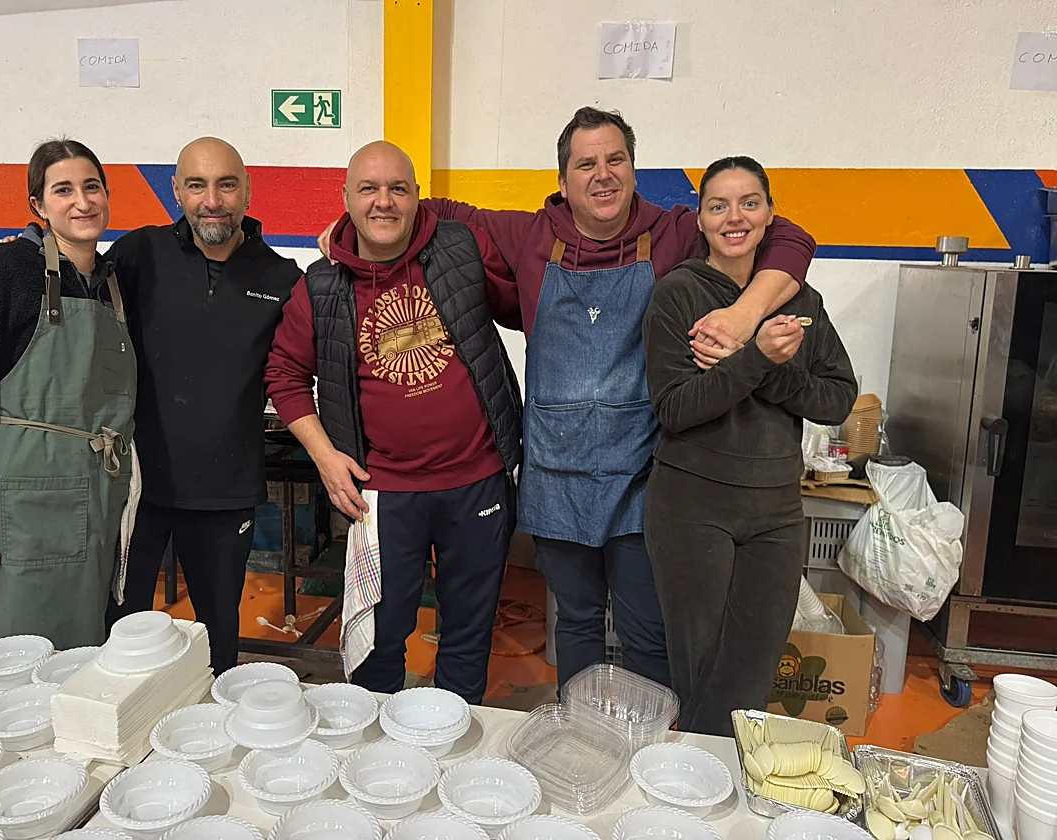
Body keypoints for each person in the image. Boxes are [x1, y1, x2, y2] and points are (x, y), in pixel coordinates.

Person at [321, 108, 818, 692]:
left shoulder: (674, 231)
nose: (602, 175)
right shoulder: (529, 236)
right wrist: (344, 231)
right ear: (563, 180)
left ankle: (647, 749)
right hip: (556, 478)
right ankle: (583, 736)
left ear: (634, 170)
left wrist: (742, 316)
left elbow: (790, 236)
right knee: (576, 623)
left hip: (641, 477)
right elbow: (425, 212)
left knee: (645, 630)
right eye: (586, 163)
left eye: (615, 160)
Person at [266, 141, 522, 705]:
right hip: (383, 496)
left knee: (467, 637)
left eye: (398, 188)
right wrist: (326, 457)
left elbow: (528, 302)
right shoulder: (323, 284)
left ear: (416, 197)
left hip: (477, 482)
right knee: (379, 645)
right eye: (369, 189)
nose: (384, 202)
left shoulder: (461, 248)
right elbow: (283, 375)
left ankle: (456, 742)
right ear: (346, 200)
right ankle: (377, 763)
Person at [643, 156, 857, 736]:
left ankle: (724, 784)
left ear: (769, 217)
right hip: (692, 507)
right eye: (718, 206)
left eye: (748, 203)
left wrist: (765, 365)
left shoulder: (801, 301)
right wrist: (759, 358)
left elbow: (837, 399)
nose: (734, 217)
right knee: (703, 667)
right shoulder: (677, 295)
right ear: (702, 222)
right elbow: (676, 409)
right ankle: (704, 788)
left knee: (756, 666)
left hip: (777, 512)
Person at [0, 139, 136, 648]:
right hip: (14, 513)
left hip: (93, 503)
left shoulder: (110, 283)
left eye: (91, 187)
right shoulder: (0, 275)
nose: (82, 202)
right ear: (39, 207)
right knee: (9, 658)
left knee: (79, 652)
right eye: (63, 190)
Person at [104, 137, 302, 675]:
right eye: (197, 185)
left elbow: (311, 363)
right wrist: (28, 254)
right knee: (120, 635)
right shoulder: (136, 254)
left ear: (247, 189)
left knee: (220, 640)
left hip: (225, 492)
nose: (211, 199)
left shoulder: (282, 279)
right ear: (176, 190)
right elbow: (74, 296)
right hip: (135, 487)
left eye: (225, 184)